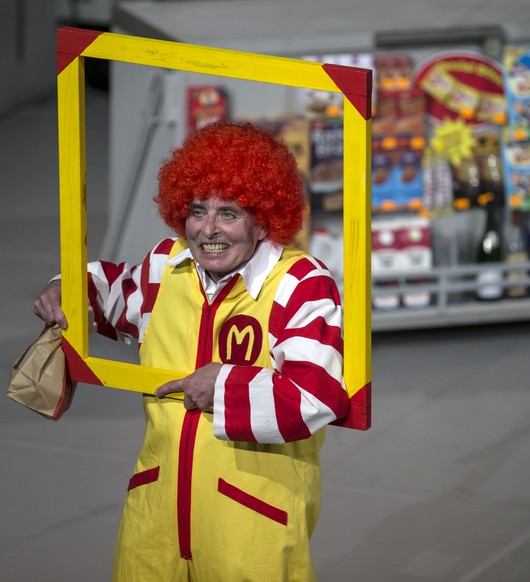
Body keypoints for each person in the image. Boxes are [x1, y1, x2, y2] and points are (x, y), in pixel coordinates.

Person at [33, 121, 349, 581]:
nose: (208, 231)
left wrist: (220, 385)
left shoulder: (301, 284)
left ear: (263, 220)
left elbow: (316, 396)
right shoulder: (168, 264)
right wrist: (66, 287)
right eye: (198, 211)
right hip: (155, 515)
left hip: (250, 525)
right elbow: (112, 292)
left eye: (229, 213)